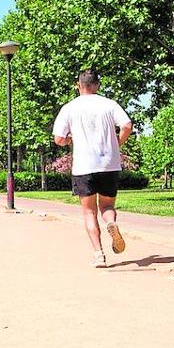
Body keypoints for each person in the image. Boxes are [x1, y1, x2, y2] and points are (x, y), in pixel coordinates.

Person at [52, 69, 134, 267]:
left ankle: (99, 255)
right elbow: (127, 125)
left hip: (83, 166)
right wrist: (117, 144)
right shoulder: (109, 104)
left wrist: (70, 139)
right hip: (109, 164)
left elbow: (58, 139)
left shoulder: (70, 108)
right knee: (107, 206)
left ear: (78, 85)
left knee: (89, 212)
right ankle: (111, 223)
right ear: (97, 85)